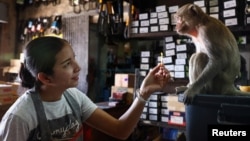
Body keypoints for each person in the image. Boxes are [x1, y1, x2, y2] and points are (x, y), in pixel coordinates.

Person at [0, 36, 171, 141]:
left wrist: (143, 94)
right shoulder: (20, 117)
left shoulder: (74, 97)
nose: (78, 67)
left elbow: (121, 130)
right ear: (45, 78)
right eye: (67, 64)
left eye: (73, 58)